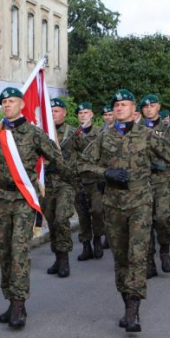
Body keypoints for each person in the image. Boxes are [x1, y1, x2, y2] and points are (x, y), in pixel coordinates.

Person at [79, 89, 170, 333]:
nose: (120, 108)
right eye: (117, 104)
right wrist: (105, 173)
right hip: (113, 206)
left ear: (134, 109)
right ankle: (126, 303)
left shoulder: (148, 136)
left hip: (140, 203)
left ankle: (133, 310)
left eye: (125, 104)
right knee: (121, 258)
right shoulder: (104, 138)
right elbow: (81, 165)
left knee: (137, 255)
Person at [0, 87, 71, 329]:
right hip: (0, 199)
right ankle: (10, 297)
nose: (6, 105)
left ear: (22, 104)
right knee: (4, 251)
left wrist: (68, 174)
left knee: (19, 250)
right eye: (3, 102)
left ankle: (19, 304)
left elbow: (56, 157)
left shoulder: (34, 133)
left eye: (11, 101)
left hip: (24, 199)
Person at [140, 94, 170, 276]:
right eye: (146, 107)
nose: (149, 109)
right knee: (144, 223)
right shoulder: (137, 129)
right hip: (143, 182)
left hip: (164, 181)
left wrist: (168, 164)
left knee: (163, 219)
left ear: (159, 107)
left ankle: (164, 250)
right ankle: (149, 261)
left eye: (152, 106)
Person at [42, 98, 76, 277]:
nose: (54, 113)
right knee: (52, 223)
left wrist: (69, 169)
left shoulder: (72, 133)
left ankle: (64, 261)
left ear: (65, 113)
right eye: (51, 110)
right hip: (46, 185)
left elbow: (85, 157)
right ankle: (58, 256)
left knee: (61, 219)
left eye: (57, 110)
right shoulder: (42, 134)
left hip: (65, 183)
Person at [68, 102, 106, 261]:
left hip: (96, 181)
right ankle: (86, 246)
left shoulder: (100, 133)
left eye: (86, 112)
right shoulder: (72, 135)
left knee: (97, 211)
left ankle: (97, 239)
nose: (83, 115)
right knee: (83, 215)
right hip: (79, 182)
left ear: (92, 115)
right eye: (80, 113)